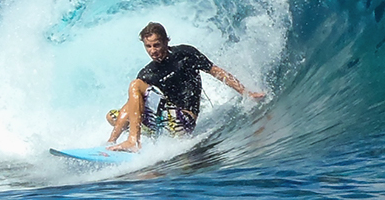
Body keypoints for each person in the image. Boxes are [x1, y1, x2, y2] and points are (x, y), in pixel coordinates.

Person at [105, 22, 265, 152]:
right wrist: (112, 140)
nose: (153, 51)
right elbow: (134, 105)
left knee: (135, 85)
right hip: (164, 123)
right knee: (113, 116)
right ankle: (112, 141)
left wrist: (245, 92)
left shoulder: (185, 54)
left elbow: (216, 71)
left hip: (183, 120)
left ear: (166, 41)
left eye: (156, 45)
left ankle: (133, 141)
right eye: (148, 46)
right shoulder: (148, 72)